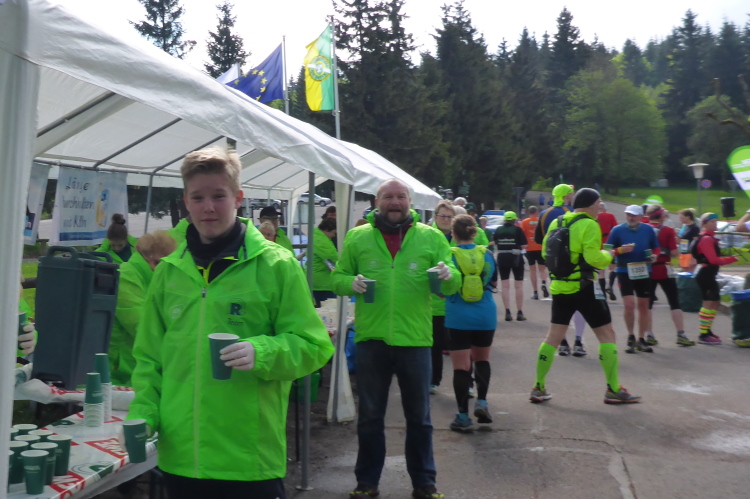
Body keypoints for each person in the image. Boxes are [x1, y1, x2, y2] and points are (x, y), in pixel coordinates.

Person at [124, 147, 334, 499]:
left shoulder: (277, 265)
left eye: (218, 196)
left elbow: (314, 345)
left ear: (238, 198)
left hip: (248, 458)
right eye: (198, 197)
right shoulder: (168, 273)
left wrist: (262, 352)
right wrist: (144, 414)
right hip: (182, 458)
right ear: (186, 202)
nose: (208, 207)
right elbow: (149, 359)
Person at [332, 178, 460, 499]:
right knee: (370, 417)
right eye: (388, 196)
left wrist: (449, 276)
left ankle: (424, 484)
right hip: (371, 339)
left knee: (419, 418)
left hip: (415, 340)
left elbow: (452, 283)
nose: (395, 202)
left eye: (400, 196)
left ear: (410, 201)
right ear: (377, 201)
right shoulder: (358, 237)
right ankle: (367, 483)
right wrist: (350, 283)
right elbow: (337, 277)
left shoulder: (430, 237)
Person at [530, 188, 641, 405]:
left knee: (553, 337)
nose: (600, 208)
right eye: (598, 203)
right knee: (607, 335)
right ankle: (613, 389)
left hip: (559, 286)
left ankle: (538, 387)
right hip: (585, 287)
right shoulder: (589, 224)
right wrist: (610, 253)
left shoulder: (557, 222)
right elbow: (594, 259)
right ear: (590, 204)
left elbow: (545, 253)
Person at [445, 215, 497, 432]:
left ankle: (463, 416)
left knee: (461, 367)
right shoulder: (488, 254)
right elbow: (493, 282)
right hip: (485, 313)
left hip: (458, 315)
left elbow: (443, 289)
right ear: (475, 232)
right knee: (482, 360)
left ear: (453, 234)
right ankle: (482, 402)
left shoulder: (449, 255)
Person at [109, 231, 177, 386]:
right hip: (120, 372)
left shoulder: (153, 278)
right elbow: (140, 325)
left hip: (139, 367)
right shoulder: (126, 275)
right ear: (155, 260)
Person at [535, 184, 584, 355]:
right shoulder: (573, 212)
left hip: (554, 264)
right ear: (566, 196)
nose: (572, 196)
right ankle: (578, 341)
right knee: (579, 305)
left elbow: (538, 239)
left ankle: (562, 342)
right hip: (575, 263)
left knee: (560, 305)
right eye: (571, 194)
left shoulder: (544, 213)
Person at [607, 205, 659, 353]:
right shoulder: (617, 230)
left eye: (634, 215)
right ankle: (631, 336)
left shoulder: (648, 229)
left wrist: (655, 256)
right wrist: (620, 250)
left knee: (644, 305)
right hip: (624, 269)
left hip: (643, 269)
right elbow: (607, 250)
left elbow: (656, 247)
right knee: (629, 305)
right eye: (628, 215)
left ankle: (641, 338)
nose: (631, 218)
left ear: (641, 217)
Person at [645, 205, 696, 347]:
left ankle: (649, 334)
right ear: (661, 216)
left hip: (648, 269)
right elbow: (674, 253)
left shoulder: (644, 229)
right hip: (664, 268)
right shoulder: (667, 230)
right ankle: (681, 334)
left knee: (647, 304)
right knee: (674, 302)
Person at [692, 212, 738, 345]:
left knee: (716, 302)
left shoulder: (710, 238)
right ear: (705, 224)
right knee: (708, 303)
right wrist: (730, 259)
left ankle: (708, 330)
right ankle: (703, 334)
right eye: (712, 222)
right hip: (705, 274)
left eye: (716, 221)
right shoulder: (706, 239)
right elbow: (713, 260)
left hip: (709, 274)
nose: (715, 223)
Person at [429, 199, 456, 395]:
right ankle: (433, 380)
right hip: (434, 303)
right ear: (435, 217)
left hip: (457, 302)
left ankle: (466, 383)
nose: (446, 220)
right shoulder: (427, 236)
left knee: (461, 347)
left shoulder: (461, 235)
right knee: (435, 346)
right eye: (442, 216)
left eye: (449, 217)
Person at [494, 211, 528, 321]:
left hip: (502, 257)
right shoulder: (518, 230)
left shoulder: (499, 229)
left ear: (504, 219)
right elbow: (524, 245)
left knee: (505, 285)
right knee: (518, 286)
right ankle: (519, 312)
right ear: (514, 220)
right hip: (516, 258)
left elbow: (495, 242)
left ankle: (507, 312)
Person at [520, 206, 548, 300]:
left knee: (532, 270)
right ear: (537, 212)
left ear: (529, 213)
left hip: (529, 248)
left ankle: (535, 292)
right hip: (540, 247)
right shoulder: (541, 220)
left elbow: (522, 234)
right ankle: (543, 283)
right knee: (542, 269)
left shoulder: (524, 222)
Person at [311, 218, 339, 307]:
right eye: (334, 233)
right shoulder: (321, 241)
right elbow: (334, 258)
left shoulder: (316, 236)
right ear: (327, 230)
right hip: (323, 284)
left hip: (317, 281)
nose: (334, 236)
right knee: (328, 309)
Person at [597, 202, 619, 300]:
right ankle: (610, 285)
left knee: (601, 271)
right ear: (605, 209)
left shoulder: (594, 218)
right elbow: (616, 230)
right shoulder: (610, 216)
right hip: (609, 245)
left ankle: (603, 293)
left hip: (598, 245)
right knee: (612, 268)